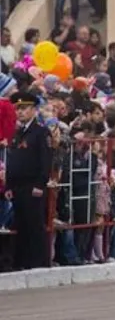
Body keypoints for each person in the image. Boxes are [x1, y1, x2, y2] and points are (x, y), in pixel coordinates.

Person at [7, 91, 52, 269]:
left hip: (33, 184)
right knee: (21, 224)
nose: (20, 112)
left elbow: (45, 160)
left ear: (34, 110)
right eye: (18, 109)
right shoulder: (18, 133)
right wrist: (9, 185)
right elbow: (13, 159)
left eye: (24, 108)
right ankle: (22, 261)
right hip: (18, 186)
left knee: (34, 224)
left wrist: (40, 183)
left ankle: (38, 261)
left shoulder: (40, 132)